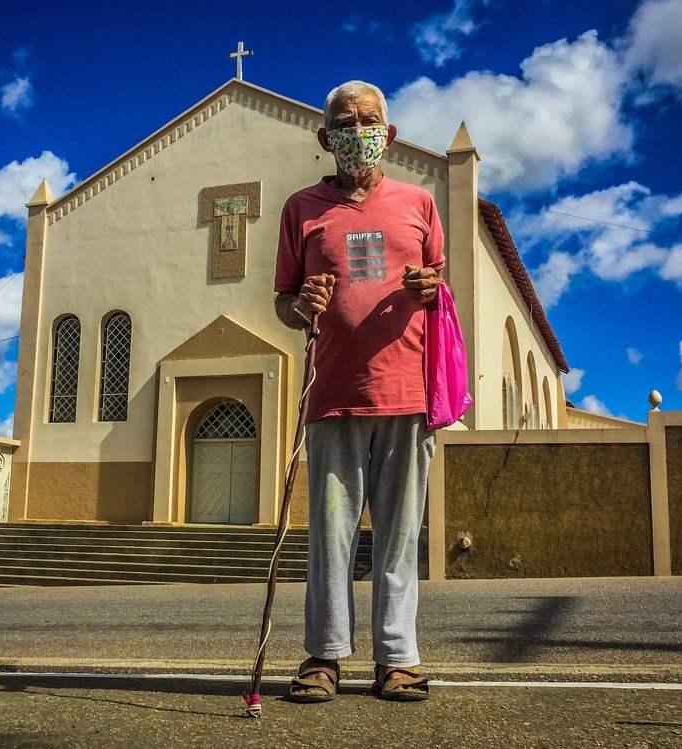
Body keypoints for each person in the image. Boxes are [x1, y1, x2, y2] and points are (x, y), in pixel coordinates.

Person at [273, 80, 445, 702]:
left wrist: (430, 289)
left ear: (388, 132)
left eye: (368, 120)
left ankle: (398, 658)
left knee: (400, 534)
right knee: (331, 534)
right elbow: (284, 301)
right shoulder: (302, 209)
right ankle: (324, 657)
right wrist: (301, 307)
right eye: (343, 124)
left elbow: (438, 289)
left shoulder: (420, 204)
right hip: (333, 395)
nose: (356, 131)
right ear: (325, 138)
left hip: (407, 391)